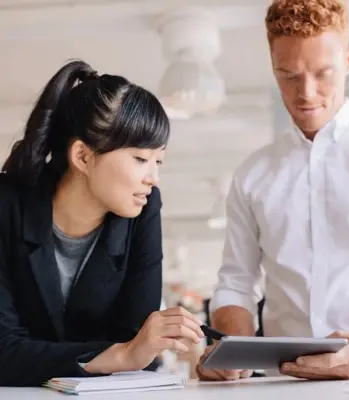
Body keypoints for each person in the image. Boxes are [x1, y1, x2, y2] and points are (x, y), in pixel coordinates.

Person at [197, 0, 349, 381]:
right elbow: (236, 283)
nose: (306, 93)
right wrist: (232, 349)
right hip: (283, 385)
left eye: (323, 73)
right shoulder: (252, 175)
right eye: (288, 75)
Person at [0, 60, 204, 387]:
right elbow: (3, 350)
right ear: (82, 156)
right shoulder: (7, 205)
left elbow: (138, 341)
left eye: (159, 160)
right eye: (140, 159)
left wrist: (132, 351)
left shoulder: (144, 208)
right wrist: (121, 355)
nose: (153, 177)